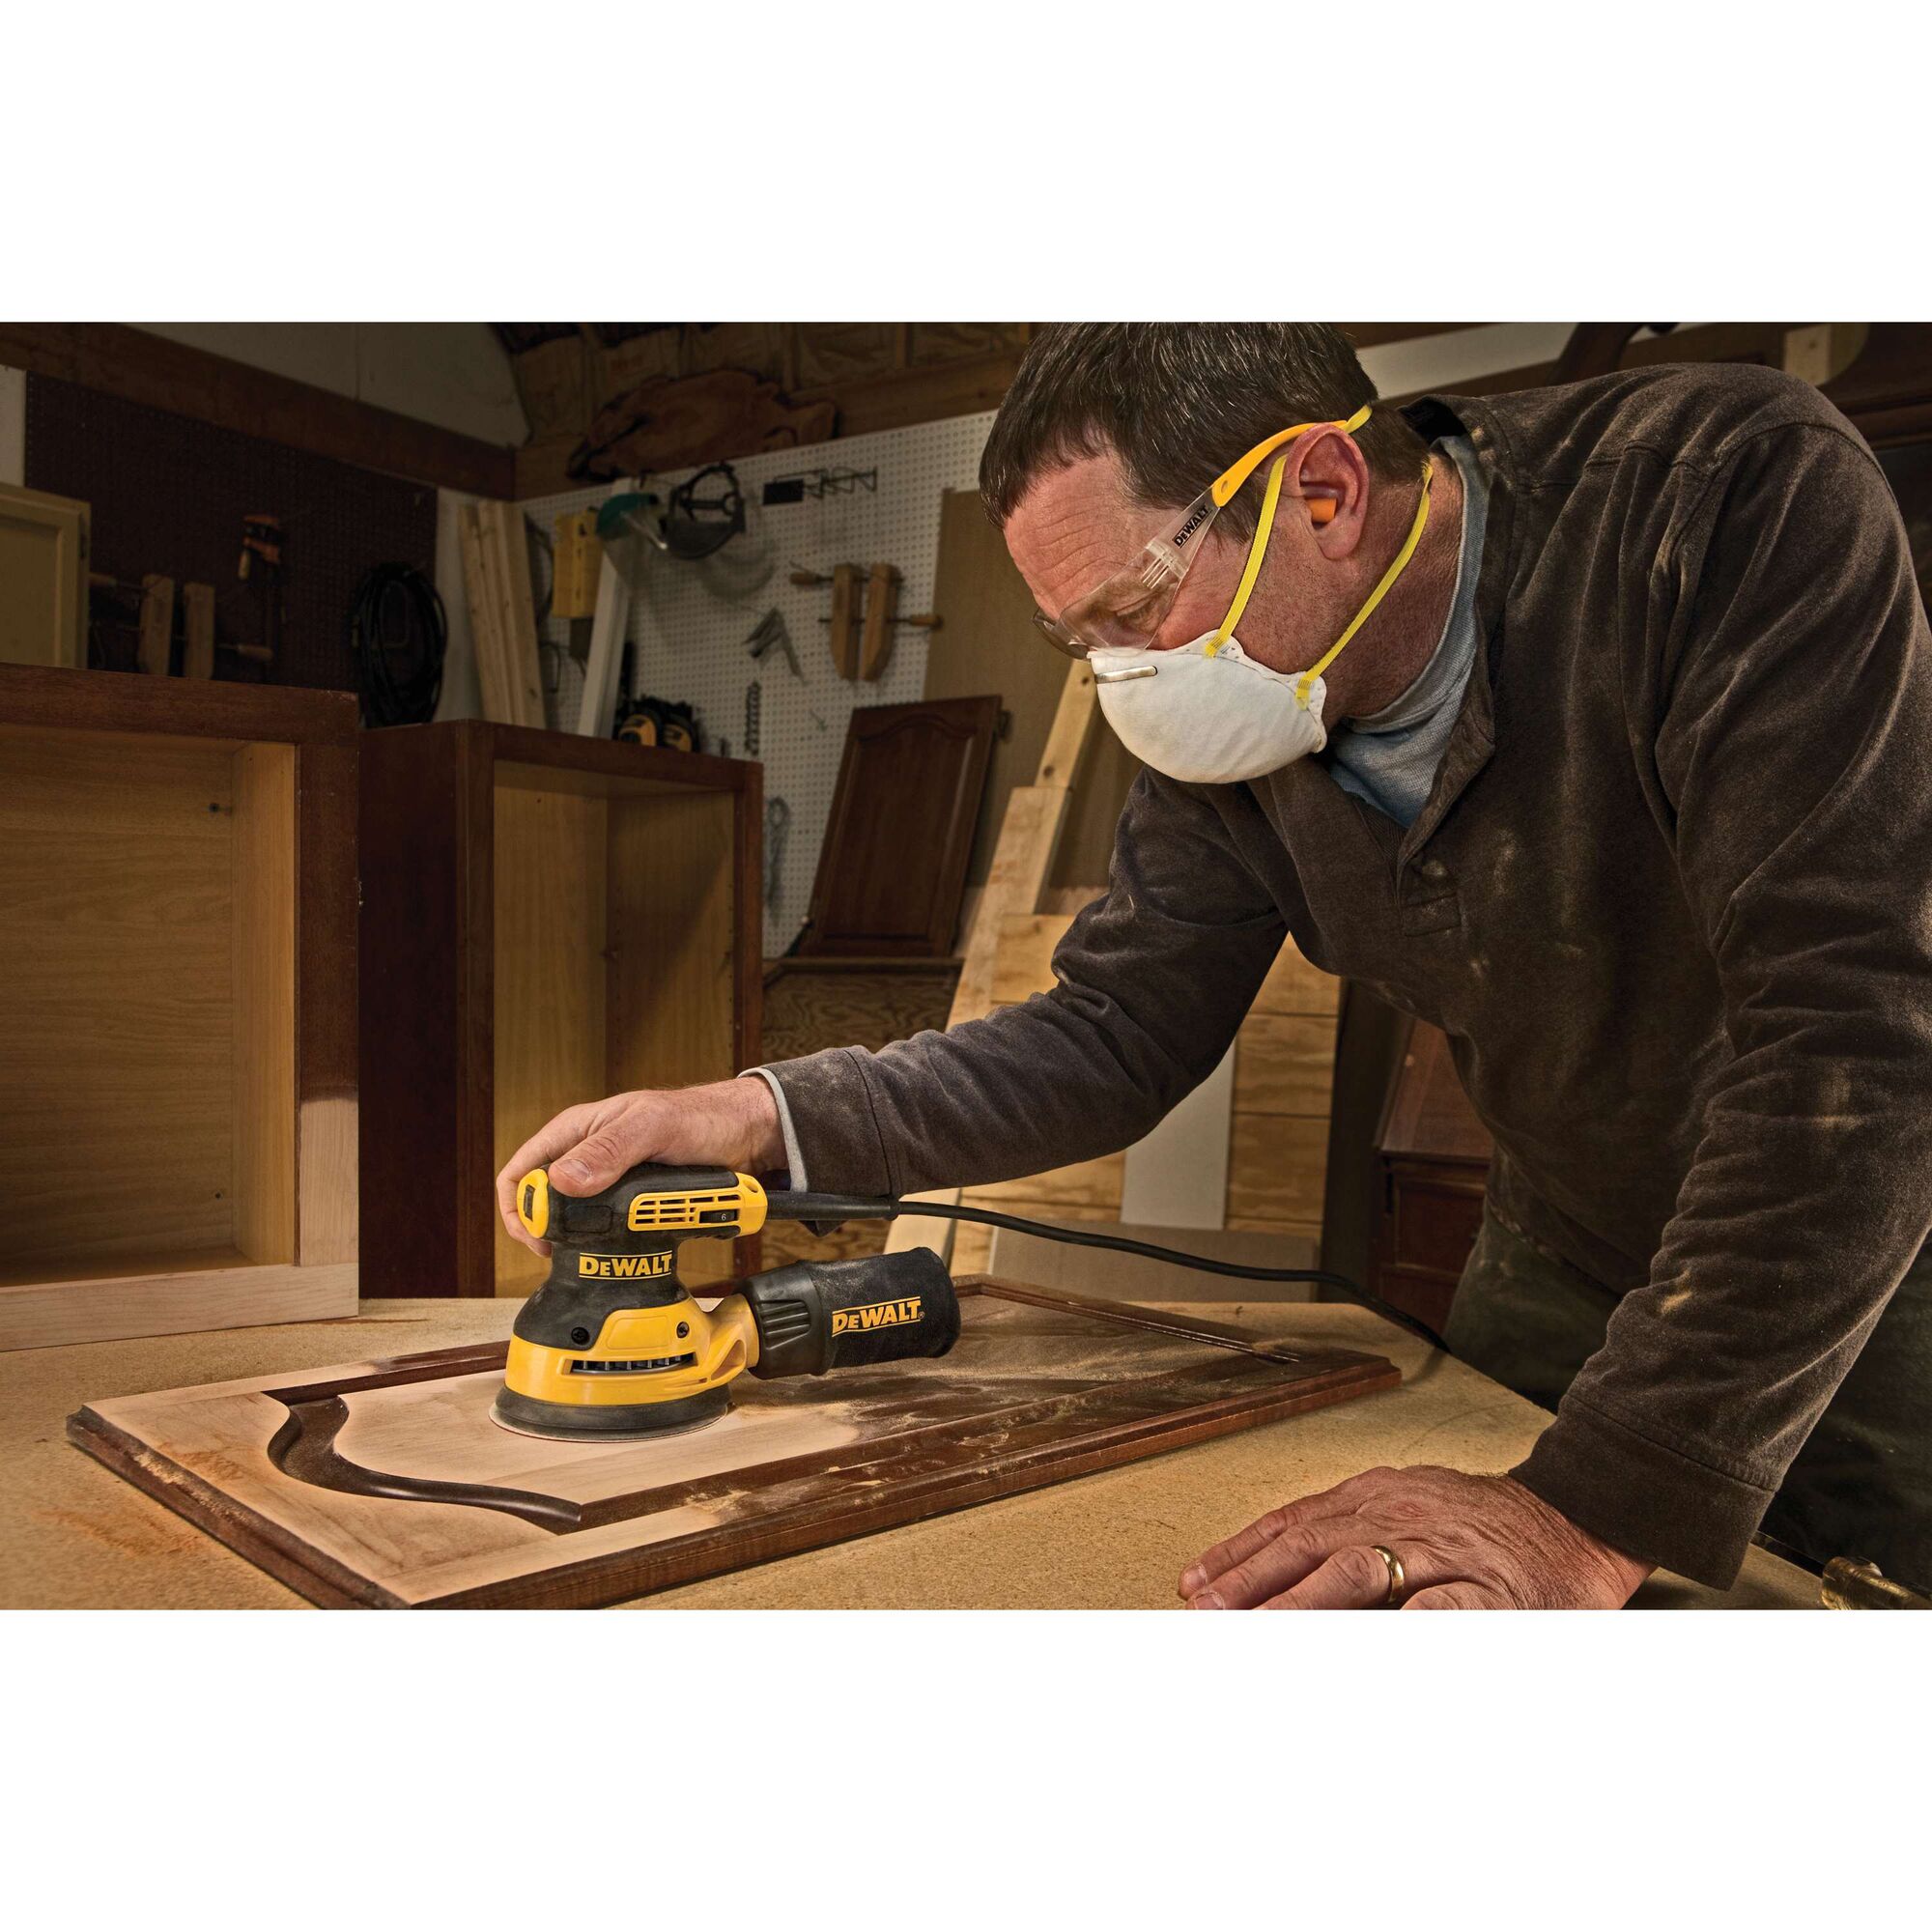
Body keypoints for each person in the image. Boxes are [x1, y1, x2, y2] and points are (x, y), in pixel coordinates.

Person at [498, 324, 1932, 1608]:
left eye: (1129, 611)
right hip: (1568, 1237)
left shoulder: (1723, 499)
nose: (1117, 674)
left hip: (1875, 1255)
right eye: (1078, 642)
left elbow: (1854, 1040)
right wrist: (761, 1112)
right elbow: (1115, 1030)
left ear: (1321, 494)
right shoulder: (1241, 710)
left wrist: (1591, 1508)